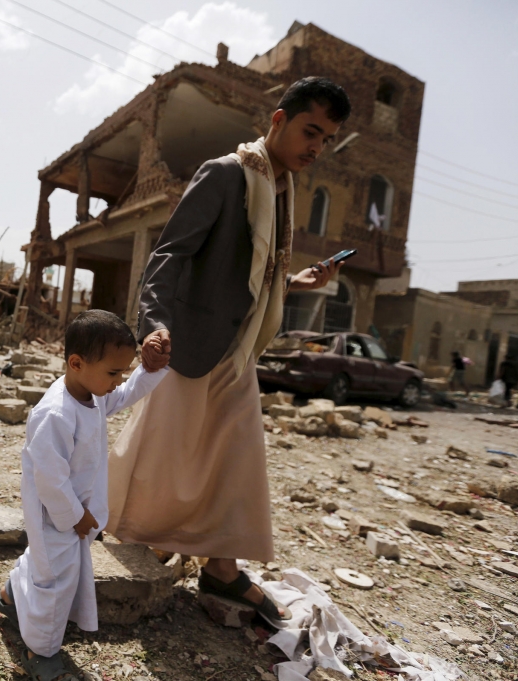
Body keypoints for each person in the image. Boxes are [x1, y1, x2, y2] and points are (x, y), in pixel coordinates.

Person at [107, 77, 350, 625]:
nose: (317, 146)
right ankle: (151, 540)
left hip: (236, 349)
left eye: (327, 139)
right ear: (278, 121)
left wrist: (301, 282)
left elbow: (252, 276)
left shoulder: (281, 190)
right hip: (189, 342)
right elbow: (170, 254)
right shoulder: (227, 174)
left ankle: (219, 564)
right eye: (311, 131)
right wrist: (154, 326)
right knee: (166, 451)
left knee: (232, 456)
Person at [0, 310, 169, 681]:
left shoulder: (91, 392)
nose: (118, 382)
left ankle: (9, 595)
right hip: (57, 514)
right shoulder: (56, 413)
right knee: (55, 581)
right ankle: (40, 650)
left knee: (45, 563)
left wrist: (149, 370)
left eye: (122, 372)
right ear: (76, 362)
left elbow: (124, 395)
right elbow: (50, 479)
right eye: (113, 373)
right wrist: (76, 516)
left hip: (71, 514)